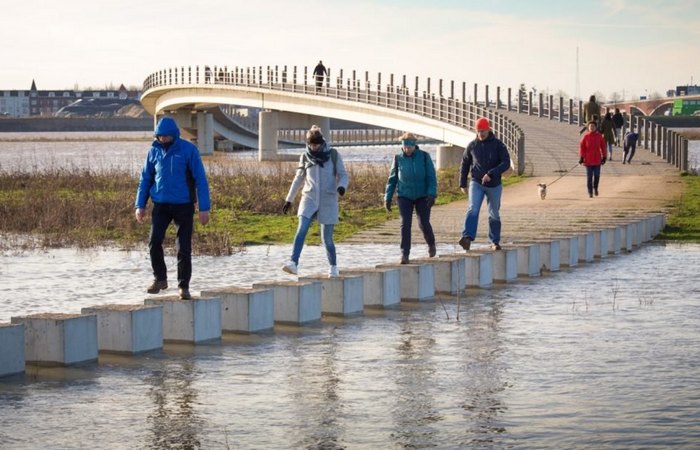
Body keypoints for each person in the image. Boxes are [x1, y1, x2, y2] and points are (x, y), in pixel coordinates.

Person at [135, 117, 211, 300]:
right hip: (161, 205)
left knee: (183, 248)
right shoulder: (153, 151)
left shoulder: (188, 150)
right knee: (154, 242)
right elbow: (145, 179)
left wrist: (204, 208)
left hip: (184, 205)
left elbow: (201, 180)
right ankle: (160, 279)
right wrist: (140, 205)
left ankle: (183, 286)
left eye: (167, 136)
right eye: (161, 136)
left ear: (174, 135)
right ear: (157, 136)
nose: (164, 139)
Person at [282, 125, 348, 277]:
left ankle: (333, 266)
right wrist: (289, 199)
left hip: (328, 199)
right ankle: (293, 263)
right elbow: (298, 179)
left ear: (322, 142)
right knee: (302, 229)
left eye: (316, 144)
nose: (313, 147)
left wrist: (341, 187)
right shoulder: (305, 156)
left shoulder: (333, 155)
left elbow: (343, 175)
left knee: (327, 239)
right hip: (309, 198)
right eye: (311, 144)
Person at [458, 117, 511, 252]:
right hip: (476, 182)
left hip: (494, 185)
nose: (480, 134)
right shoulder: (472, 146)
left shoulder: (498, 145)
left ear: (489, 130)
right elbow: (464, 164)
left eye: (483, 131)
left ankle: (495, 241)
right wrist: (462, 183)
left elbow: (505, 163)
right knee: (473, 208)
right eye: (478, 131)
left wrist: (492, 173)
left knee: (494, 213)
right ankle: (467, 238)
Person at [384, 132, 438, 264]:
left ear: (414, 146)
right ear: (402, 146)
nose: (407, 150)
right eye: (405, 147)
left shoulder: (424, 157)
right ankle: (405, 254)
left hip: (422, 195)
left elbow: (431, 177)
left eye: (410, 147)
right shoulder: (398, 159)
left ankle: (431, 244)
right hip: (404, 196)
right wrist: (388, 197)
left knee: (423, 223)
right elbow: (392, 180)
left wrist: (432, 194)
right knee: (405, 223)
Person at [579, 120, 607, 198]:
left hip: (597, 160)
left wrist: (604, 157)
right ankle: (590, 192)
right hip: (588, 160)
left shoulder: (599, 136)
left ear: (596, 127)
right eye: (590, 126)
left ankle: (595, 188)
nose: (592, 127)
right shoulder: (585, 136)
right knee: (589, 177)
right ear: (588, 127)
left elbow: (603, 147)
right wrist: (581, 157)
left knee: (597, 176)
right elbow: (582, 147)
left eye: (593, 126)